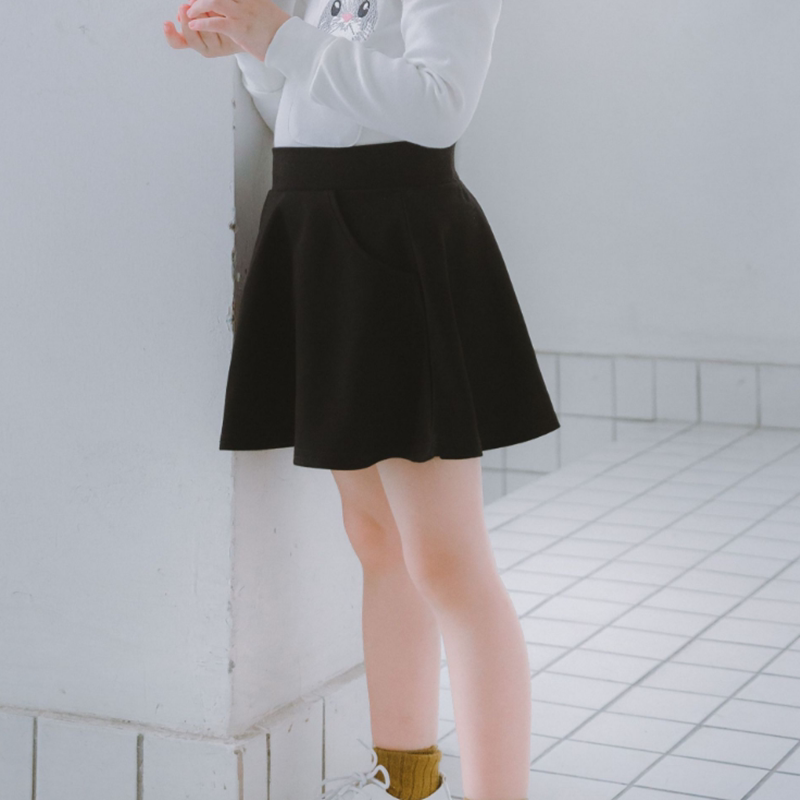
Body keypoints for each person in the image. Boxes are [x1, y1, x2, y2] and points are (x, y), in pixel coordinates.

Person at [164, 2, 560, 798]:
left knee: (446, 560)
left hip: (396, 237)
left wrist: (278, 36)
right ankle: (406, 781)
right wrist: (247, 46)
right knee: (377, 539)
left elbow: (439, 105)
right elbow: (305, 107)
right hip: (321, 237)